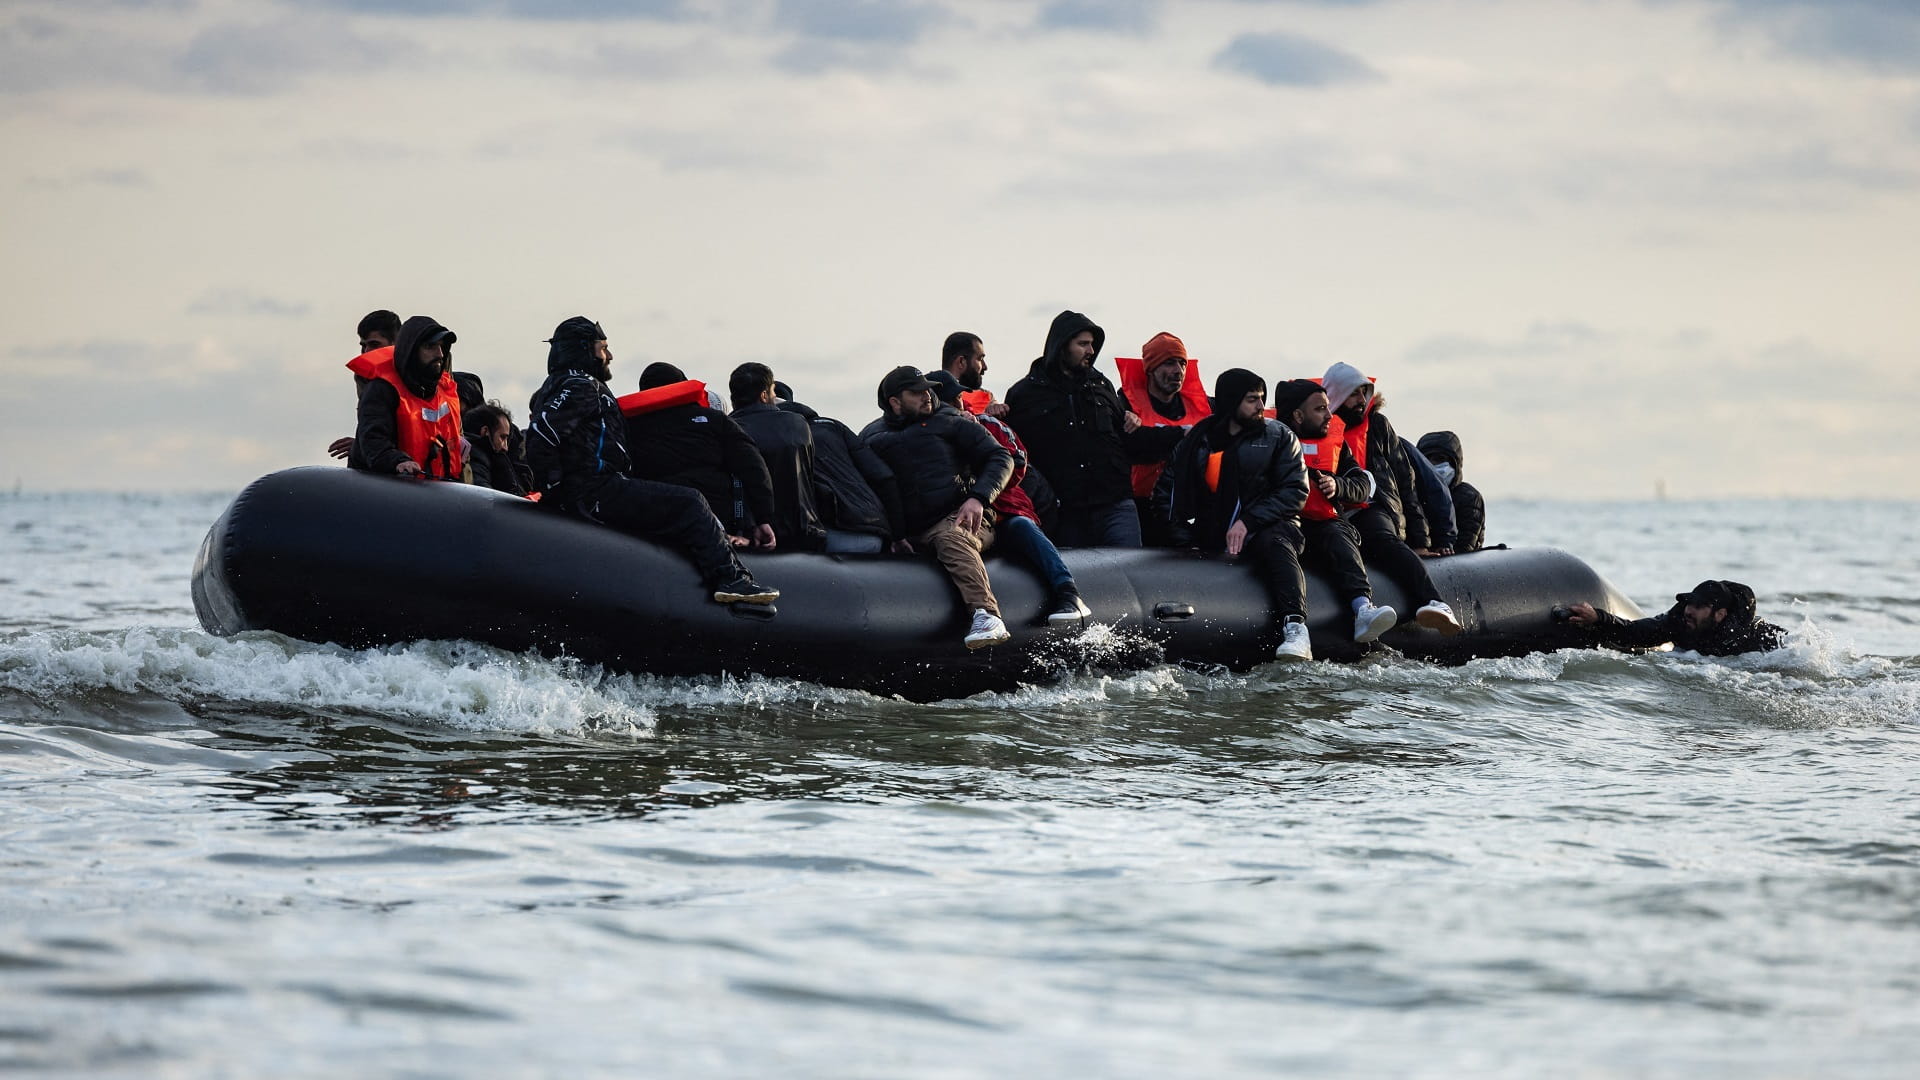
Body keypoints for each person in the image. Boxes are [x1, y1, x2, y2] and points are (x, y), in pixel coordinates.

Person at [525, 316, 777, 605]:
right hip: (597, 490)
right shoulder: (581, 385)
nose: (609, 356)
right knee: (690, 502)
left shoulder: (560, 384)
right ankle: (731, 580)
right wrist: (554, 489)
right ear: (584, 349)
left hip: (592, 488)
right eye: (603, 348)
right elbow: (543, 434)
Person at [1151, 369, 1323, 661]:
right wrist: (1183, 540)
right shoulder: (1198, 441)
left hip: (1269, 526)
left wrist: (1248, 521)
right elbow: (1166, 494)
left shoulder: (1279, 436)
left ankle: (1296, 627)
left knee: (1275, 543)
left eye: (1262, 399)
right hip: (1211, 531)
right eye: (1252, 400)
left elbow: (1294, 490)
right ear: (1231, 402)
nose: (1260, 406)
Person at [861, 366, 1016, 649]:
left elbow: (1000, 457)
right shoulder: (872, 437)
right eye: (916, 393)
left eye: (926, 390)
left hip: (963, 516)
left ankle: (988, 616)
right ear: (895, 402)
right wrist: (893, 535)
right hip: (909, 531)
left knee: (950, 536)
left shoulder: (951, 421)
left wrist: (979, 498)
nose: (926, 397)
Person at [927, 369, 1092, 626]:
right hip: (962, 518)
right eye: (950, 401)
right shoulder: (926, 438)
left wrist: (980, 481)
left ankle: (1069, 592)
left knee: (1023, 527)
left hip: (1004, 511)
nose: (958, 405)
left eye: (958, 399)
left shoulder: (987, 425)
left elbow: (1015, 463)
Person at [1319, 363, 1462, 634]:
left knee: (1385, 543)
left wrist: (1419, 541)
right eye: (1353, 394)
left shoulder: (1378, 426)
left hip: (1372, 508)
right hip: (1331, 514)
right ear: (1336, 396)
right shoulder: (1319, 426)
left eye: (1364, 392)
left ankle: (1434, 601)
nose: (1361, 400)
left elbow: (1406, 485)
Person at [1269, 379, 1400, 648]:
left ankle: (1363, 609)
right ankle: (1295, 626)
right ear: (1297, 415)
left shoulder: (1338, 447)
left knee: (1338, 535)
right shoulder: (1271, 441)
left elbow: (1363, 484)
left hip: (1324, 525)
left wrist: (1338, 485)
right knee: (1279, 541)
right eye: (1320, 409)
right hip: (1285, 526)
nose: (1330, 415)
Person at [1004, 310, 1145, 548]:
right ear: (1061, 346)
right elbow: (1012, 451)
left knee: (1131, 576)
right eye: (1083, 344)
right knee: (1078, 581)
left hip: (1115, 504)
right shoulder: (1024, 394)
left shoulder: (1101, 385)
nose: (1091, 351)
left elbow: (1126, 434)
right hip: (1066, 512)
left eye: (1092, 344)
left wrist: (1147, 425)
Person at [625, 361, 777, 550]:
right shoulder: (716, 421)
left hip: (654, 520)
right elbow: (753, 467)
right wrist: (763, 519)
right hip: (713, 518)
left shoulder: (628, 428)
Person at [777, 387, 905, 553]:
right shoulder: (833, 427)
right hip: (875, 530)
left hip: (838, 534)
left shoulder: (785, 438)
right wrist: (898, 535)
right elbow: (883, 477)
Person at [1117, 331, 1212, 545]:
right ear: (1150, 368)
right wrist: (1183, 435)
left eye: (1182, 363)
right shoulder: (1124, 405)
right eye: (1169, 363)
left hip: (1187, 507)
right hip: (1139, 507)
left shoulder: (1206, 407)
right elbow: (1134, 444)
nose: (1178, 371)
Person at [346, 314, 465, 480]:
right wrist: (398, 461)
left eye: (441, 346)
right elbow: (374, 439)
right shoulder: (382, 390)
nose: (439, 353)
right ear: (411, 351)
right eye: (430, 346)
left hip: (438, 490)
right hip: (390, 491)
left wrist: (461, 443)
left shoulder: (444, 388)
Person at [728, 362, 827, 551]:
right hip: (806, 529)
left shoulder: (730, 429)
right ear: (764, 395)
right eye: (773, 391)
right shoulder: (798, 423)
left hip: (756, 536)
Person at [1563, 580, 1785, 656]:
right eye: (1689, 603)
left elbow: (1792, 656)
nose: (1689, 610)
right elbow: (1634, 633)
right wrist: (1597, 618)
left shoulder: (1750, 634)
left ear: (1720, 615)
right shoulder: (1678, 622)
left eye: (1699, 607)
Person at [329, 309, 403, 461]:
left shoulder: (416, 378)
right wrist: (362, 445)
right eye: (364, 346)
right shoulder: (365, 377)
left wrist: (363, 446)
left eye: (374, 344)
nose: (366, 352)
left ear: (396, 343)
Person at [1417, 430, 1484, 553]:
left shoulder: (1469, 497)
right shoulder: (1415, 495)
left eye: (1440, 459)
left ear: (1455, 464)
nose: (1433, 465)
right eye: (1427, 460)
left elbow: (1466, 545)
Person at [939, 332, 1008, 418]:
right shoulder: (927, 394)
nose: (985, 367)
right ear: (961, 362)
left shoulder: (986, 398)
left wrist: (996, 408)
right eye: (980, 359)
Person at [464, 402, 527, 496]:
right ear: (485, 431)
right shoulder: (476, 458)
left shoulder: (481, 457)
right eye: (502, 437)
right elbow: (485, 498)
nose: (505, 447)